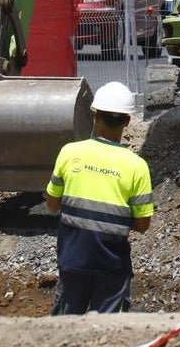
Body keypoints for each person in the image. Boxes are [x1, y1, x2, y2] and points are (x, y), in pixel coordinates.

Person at [45, 81, 153, 314]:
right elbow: (143, 224)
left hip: (72, 260)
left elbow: (52, 205)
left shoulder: (70, 153)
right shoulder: (137, 166)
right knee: (108, 332)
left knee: (63, 330)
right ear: (127, 120)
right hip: (112, 265)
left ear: (96, 116)